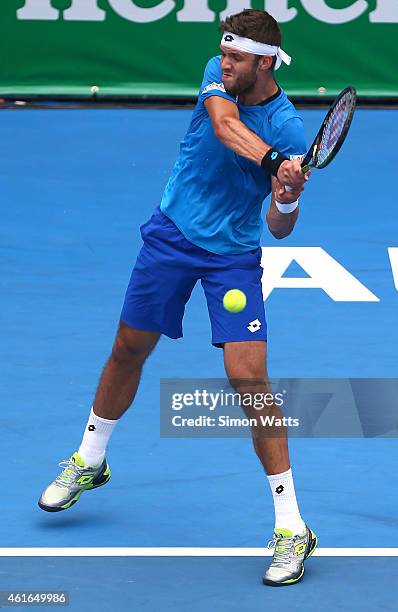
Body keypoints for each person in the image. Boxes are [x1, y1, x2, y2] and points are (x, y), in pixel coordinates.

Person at [39, 9, 317, 586]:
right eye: (226, 53)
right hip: (172, 234)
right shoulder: (217, 73)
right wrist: (273, 163)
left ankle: (292, 526)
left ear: (265, 62)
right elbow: (223, 126)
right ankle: (90, 460)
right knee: (128, 347)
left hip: (233, 255)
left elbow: (280, 225)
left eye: (238, 57)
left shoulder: (291, 129)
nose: (225, 61)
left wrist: (286, 195)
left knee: (249, 380)